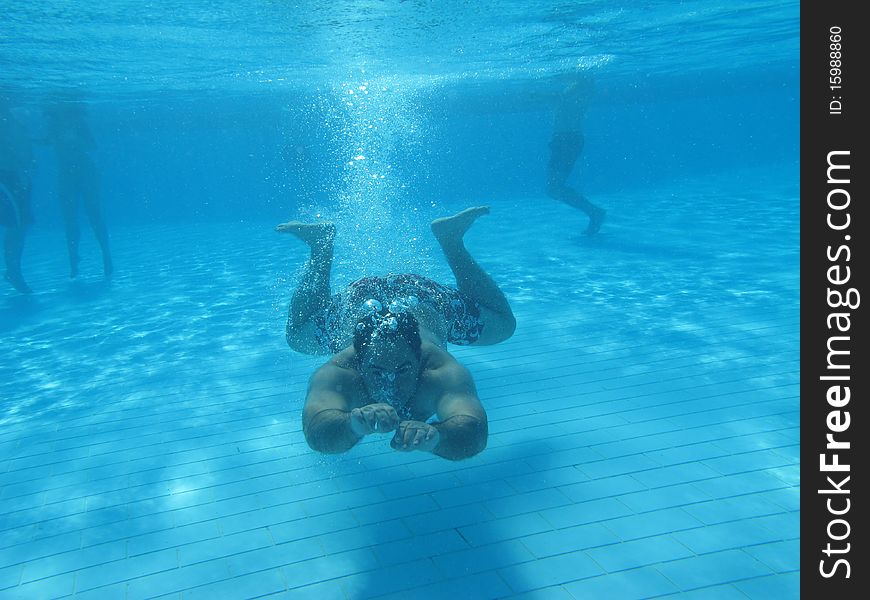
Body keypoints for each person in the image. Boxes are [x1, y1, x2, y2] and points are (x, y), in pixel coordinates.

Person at [277, 206, 516, 461]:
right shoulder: (340, 372)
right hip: (358, 298)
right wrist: (352, 425)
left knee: (504, 326)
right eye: (377, 372)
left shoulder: (440, 373)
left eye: (403, 370)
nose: (389, 382)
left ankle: (451, 240)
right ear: (359, 363)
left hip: (423, 297)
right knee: (297, 338)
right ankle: (321, 245)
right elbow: (317, 433)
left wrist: (436, 436)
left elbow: (474, 433)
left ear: (421, 358)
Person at [44, 99, 113, 278]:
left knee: (94, 215)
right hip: (66, 174)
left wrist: (76, 139)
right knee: (70, 219)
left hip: (85, 172)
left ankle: (106, 255)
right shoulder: (53, 124)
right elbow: (47, 142)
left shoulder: (79, 122)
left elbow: (92, 145)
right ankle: (73, 260)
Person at [545, 74, 606, 235]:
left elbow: (561, 98)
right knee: (553, 189)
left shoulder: (581, 90)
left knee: (554, 188)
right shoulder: (573, 91)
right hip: (562, 140)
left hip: (567, 141)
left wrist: (554, 81)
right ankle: (594, 212)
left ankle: (594, 212)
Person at [1, 99, 35, 294]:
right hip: (7, 176)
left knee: (21, 225)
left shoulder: (12, 118)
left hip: (18, 176)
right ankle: (13, 271)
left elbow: (22, 144)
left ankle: (14, 270)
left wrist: (29, 165)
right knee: (17, 225)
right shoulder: (6, 120)